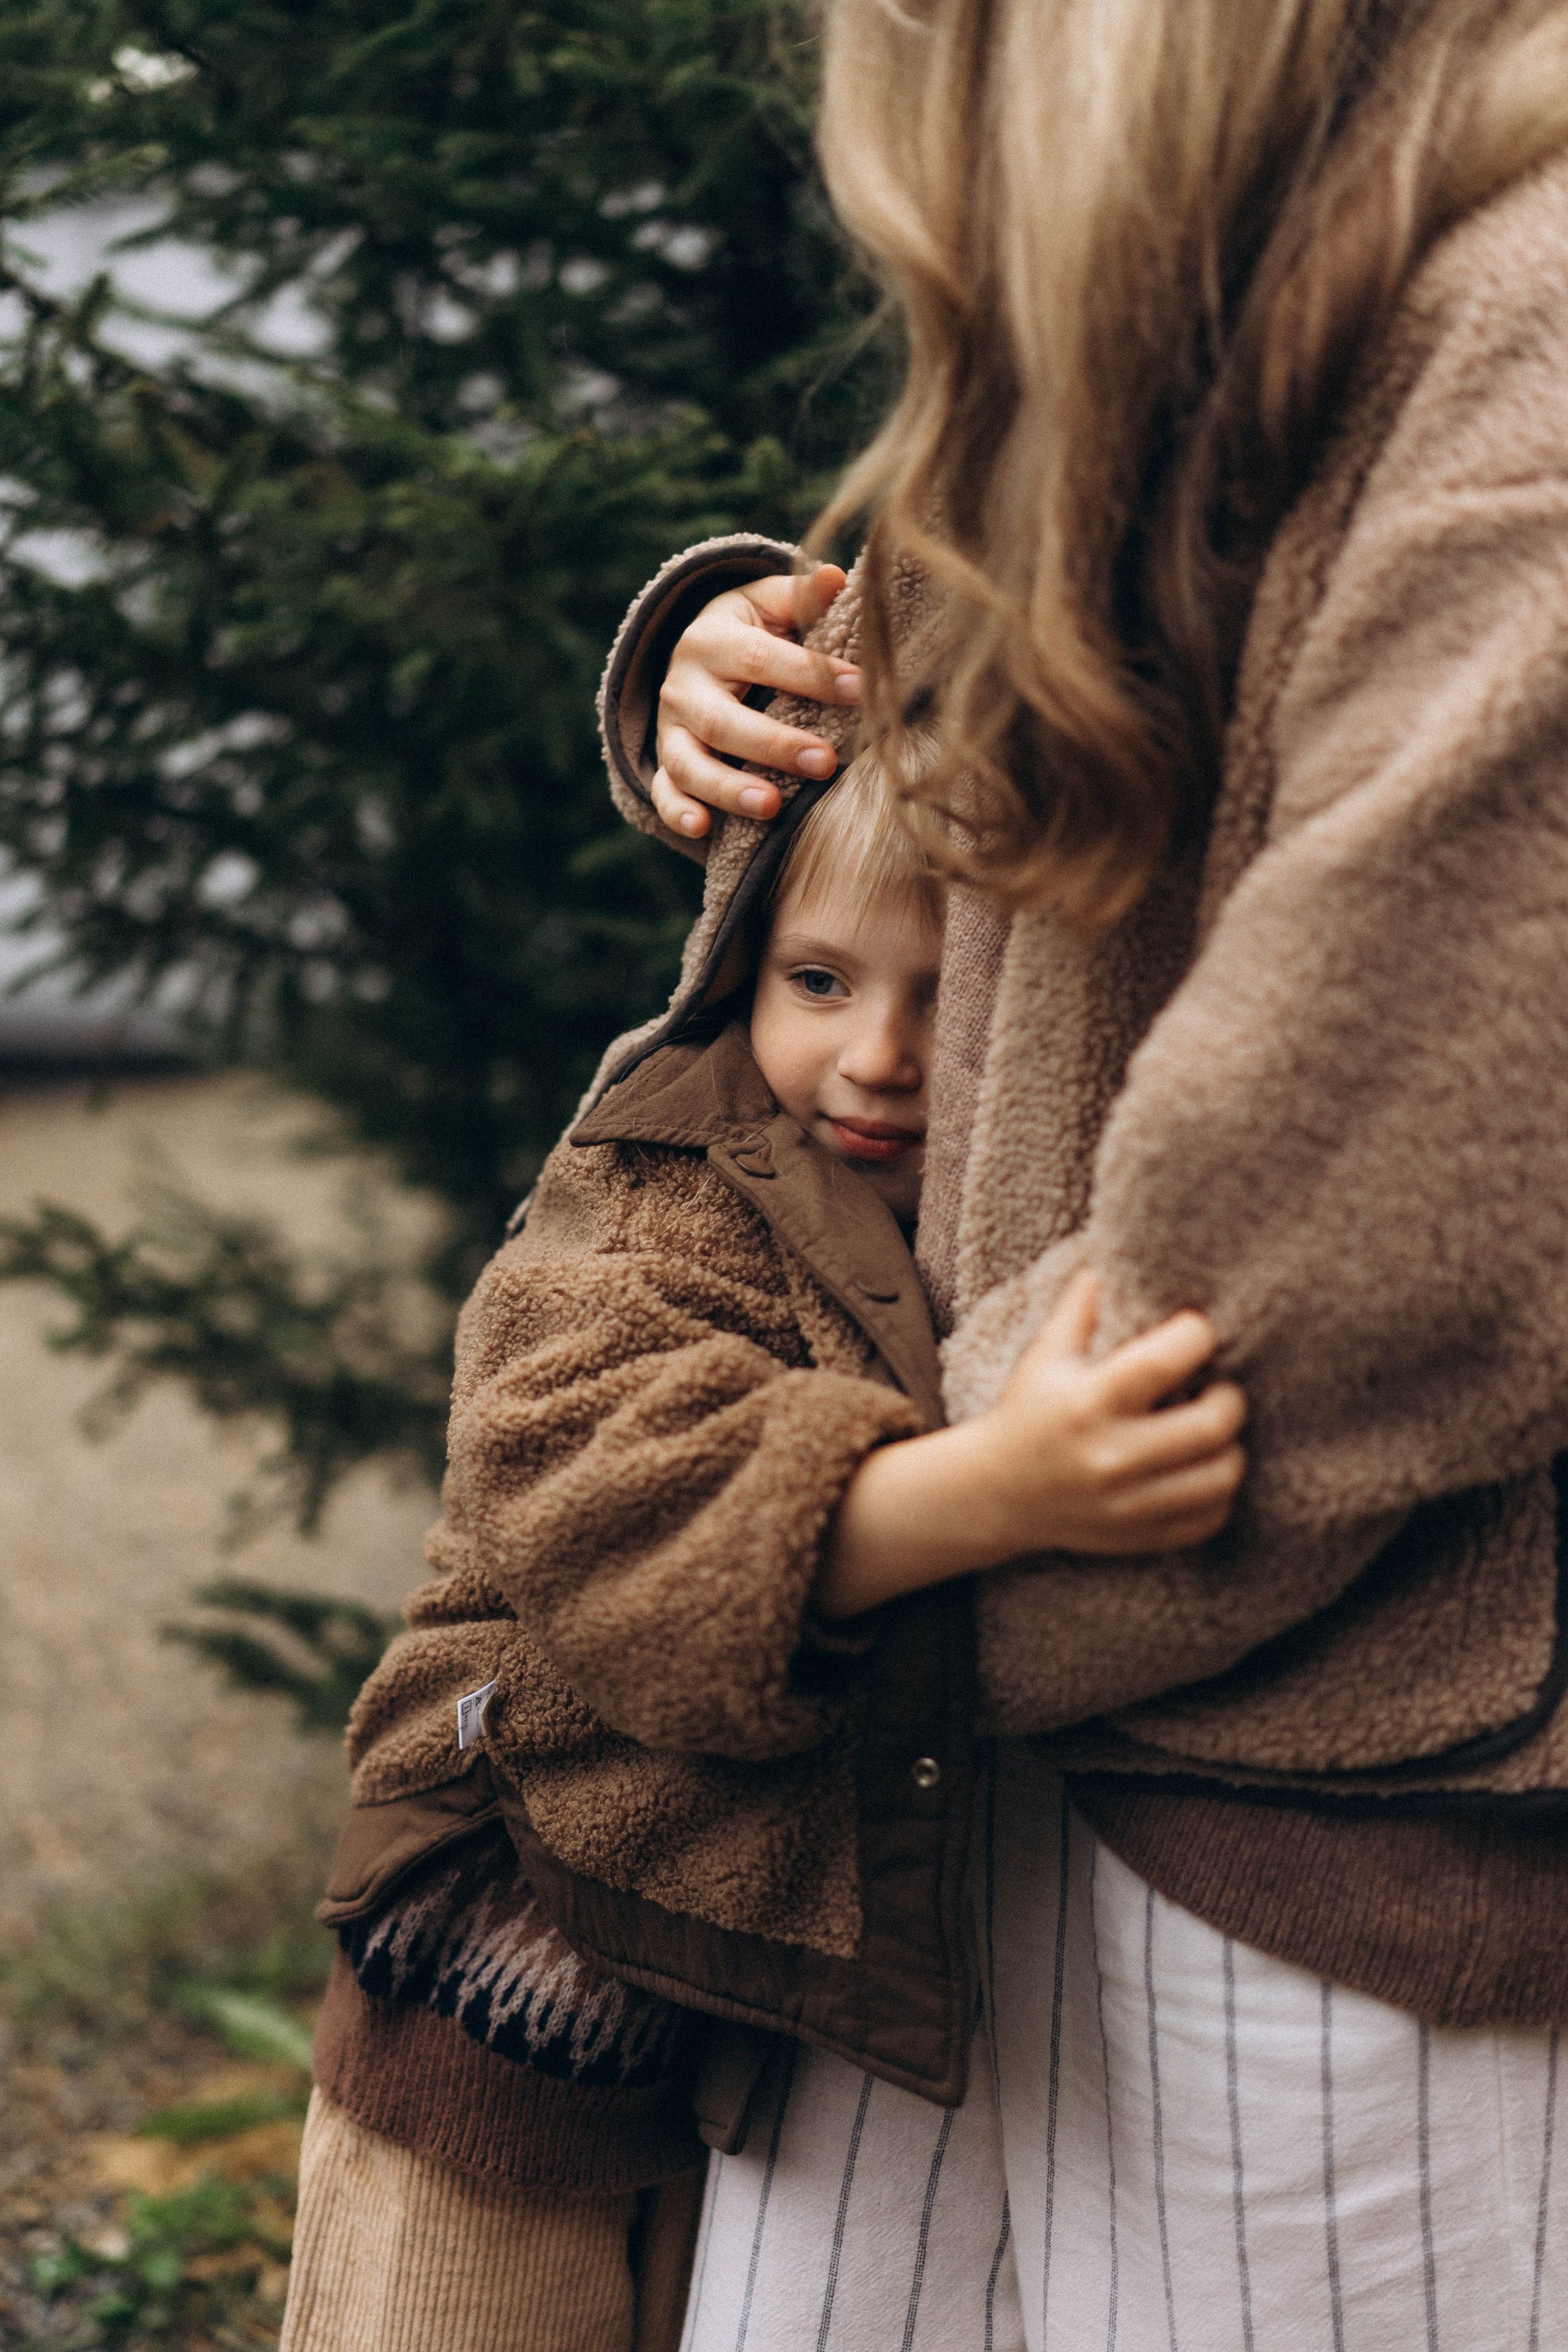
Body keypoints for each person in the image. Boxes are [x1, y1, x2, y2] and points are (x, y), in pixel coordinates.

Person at [591, 1, 1568, 2342]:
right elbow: (953, 848)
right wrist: (729, 677)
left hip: (1295, 1803)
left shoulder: (1522, 343)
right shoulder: (1173, 301)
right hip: (945, 1759)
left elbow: (1348, 1249)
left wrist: (758, 1556)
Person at [280, 752, 1244, 2351]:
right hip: (505, 1965)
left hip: (728, 2012)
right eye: (820, 980)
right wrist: (993, 1489)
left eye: (946, 1001)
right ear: (740, 963)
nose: (878, 1059)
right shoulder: (662, 1186)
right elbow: (616, 1503)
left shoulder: (972, 1213)